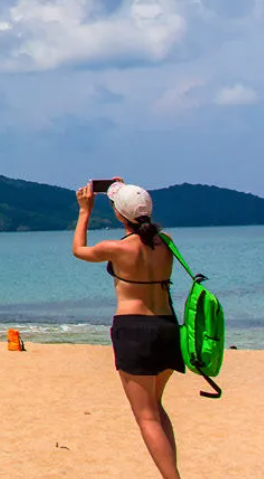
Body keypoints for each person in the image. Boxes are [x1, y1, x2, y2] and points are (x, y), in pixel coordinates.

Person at [75, 179, 183, 479]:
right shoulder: (167, 242)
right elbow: (143, 224)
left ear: (119, 215)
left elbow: (79, 250)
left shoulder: (115, 248)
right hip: (167, 327)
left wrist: (84, 212)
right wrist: (126, 196)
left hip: (135, 331)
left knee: (146, 417)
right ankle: (171, 472)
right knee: (156, 409)